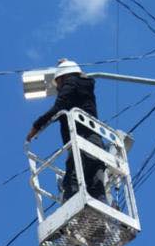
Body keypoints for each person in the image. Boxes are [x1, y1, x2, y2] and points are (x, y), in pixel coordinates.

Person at [26, 59, 106, 203]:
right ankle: (107, 213)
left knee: (71, 183)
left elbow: (58, 108)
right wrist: (67, 63)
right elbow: (79, 78)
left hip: (81, 142)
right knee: (96, 186)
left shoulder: (70, 83)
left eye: (58, 84)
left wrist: (36, 127)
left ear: (63, 77)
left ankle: (74, 211)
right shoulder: (86, 87)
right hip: (97, 143)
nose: (58, 89)